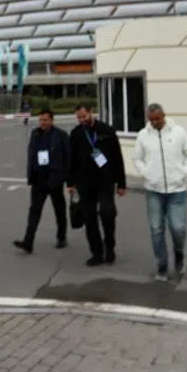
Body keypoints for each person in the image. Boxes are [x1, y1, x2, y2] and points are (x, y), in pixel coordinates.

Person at [132, 102, 187, 281]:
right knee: (156, 229)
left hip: (176, 190)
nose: (154, 122)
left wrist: (184, 173)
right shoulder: (143, 135)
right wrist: (146, 173)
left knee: (178, 228)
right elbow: (137, 158)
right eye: (151, 120)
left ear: (164, 115)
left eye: (157, 119)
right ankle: (162, 265)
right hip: (154, 190)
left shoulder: (178, 132)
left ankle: (179, 253)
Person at [66, 103, 126, 267]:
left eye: (84, 116)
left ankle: (110, 247)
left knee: (108, 214)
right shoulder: (76, 133)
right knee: (89, 218)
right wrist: (70, 182)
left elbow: (117, 157)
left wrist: (121, 183)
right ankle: (96, 252)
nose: (82, 120)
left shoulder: (107, 131)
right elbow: (71, 159)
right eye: (79, 117)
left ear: (91, 112)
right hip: (84, 183)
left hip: (105, 181)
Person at [13, 109, 71, 253]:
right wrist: (31, 174)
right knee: (34, 211)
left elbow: (68, 157)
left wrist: (66, 178)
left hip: (54, 179)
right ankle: (28, 242)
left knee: (59, 210)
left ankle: (61, 237)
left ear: (51, 120)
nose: (42, 123)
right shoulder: (35, 133)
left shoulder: (61, 135)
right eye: (41, 120)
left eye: (45, 120)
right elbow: (31, 154)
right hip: (38, 179)